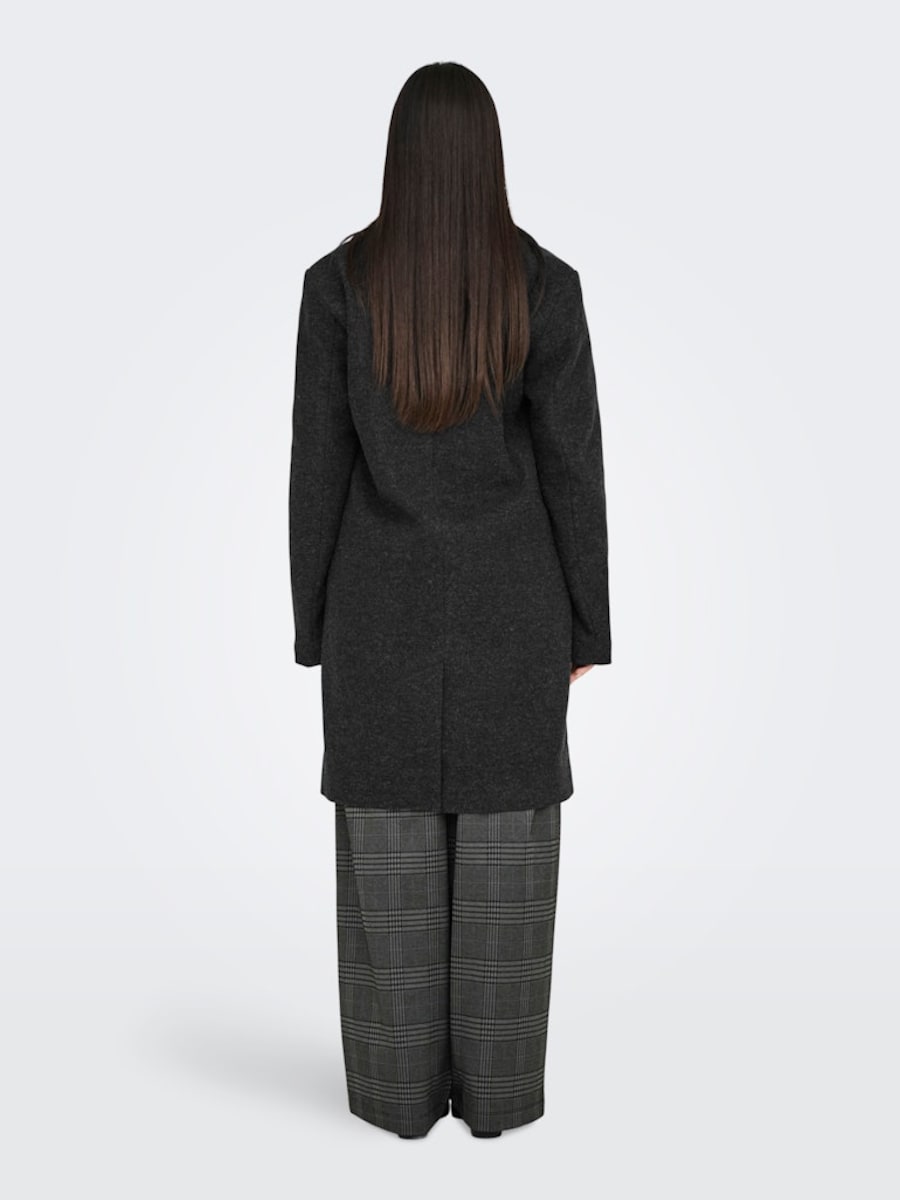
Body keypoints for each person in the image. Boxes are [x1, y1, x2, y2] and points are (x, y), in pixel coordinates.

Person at [288, 61, 611, 1140]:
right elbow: (573, 467)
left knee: (387, 877)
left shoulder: (337, 286)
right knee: (509, 875)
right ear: (489, 158)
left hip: (375, 614)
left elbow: (317, 472)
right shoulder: (546, 285)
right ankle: (499, 1098)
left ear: (399, 158)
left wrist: (313, 625)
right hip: (517, 614)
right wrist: (587, 624)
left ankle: (395, 1098)